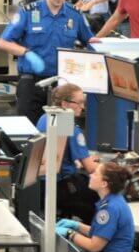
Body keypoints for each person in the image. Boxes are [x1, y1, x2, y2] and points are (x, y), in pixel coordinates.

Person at [0, 0, 94, 125]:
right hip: (32, 84)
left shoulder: (74, 15)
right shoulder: (28, 12)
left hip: (61, 87)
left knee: (60, 133)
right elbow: (3, 42)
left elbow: (91, 42)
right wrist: (26, 52)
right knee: (28, 133)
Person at [37, 83, 100, 223]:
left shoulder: (45, 117)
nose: (82, 107)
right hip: (60, 188)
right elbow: (90, 168)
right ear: (65, 103)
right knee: (100, 194)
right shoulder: (68, 125)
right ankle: (97, 237)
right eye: (79, 103)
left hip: (39, 187)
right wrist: (118, 168)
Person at [56, 162, 134, 252]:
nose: (90, 175)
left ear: (104, 183)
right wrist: (76, 225)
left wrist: (69, 233)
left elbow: (94, 247)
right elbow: (100, 233)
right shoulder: (114, 199)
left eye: (95, 174)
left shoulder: (109, 209)